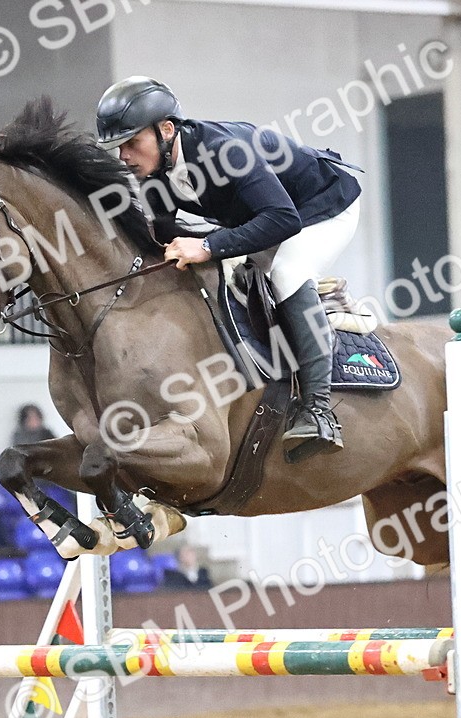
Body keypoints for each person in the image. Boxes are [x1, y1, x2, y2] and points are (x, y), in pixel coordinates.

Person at [95, 76, 363, 463]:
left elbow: (283, 219)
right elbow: (165, 234)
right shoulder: (157, 171)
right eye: (119, 147)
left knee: (286, 272)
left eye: (132, 143)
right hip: (273, 214)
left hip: (324, 208)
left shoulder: (226, 151)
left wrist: (207, 246)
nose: (124, 156)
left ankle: (319, 411)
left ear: (166, 130)